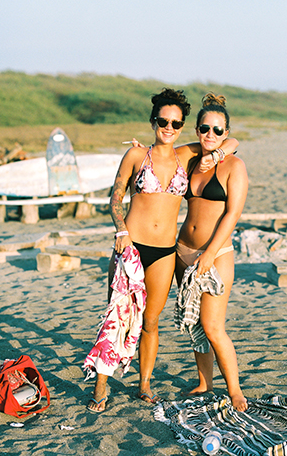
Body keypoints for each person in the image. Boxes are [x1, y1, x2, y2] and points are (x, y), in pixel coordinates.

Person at [87, 88, 239, 413]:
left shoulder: (187, 155)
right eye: (162, 121)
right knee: (118, 316)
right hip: (131, 246)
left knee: (150, 321)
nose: (168, 127)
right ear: (153, 120)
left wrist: (216, 154)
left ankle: (144, 383)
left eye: (176, 123)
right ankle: (101, 385)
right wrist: (121, 230)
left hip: (165, 252)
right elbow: (114, 198)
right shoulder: (134, 156)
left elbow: (229, 143)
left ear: (183, 126)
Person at [175, 93, 248, 411]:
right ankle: (205, 382)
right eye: (205, 128)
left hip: (216, 254)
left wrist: (209, 254)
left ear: (226, 133)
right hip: (182, 251)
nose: (210, 135)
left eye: (218, 130)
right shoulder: (192, 161)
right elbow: (163, 154)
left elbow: (232, 214)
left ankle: (235, 391)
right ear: (197, 130)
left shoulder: (234, 165)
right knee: (194, 323)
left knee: (213, 325)